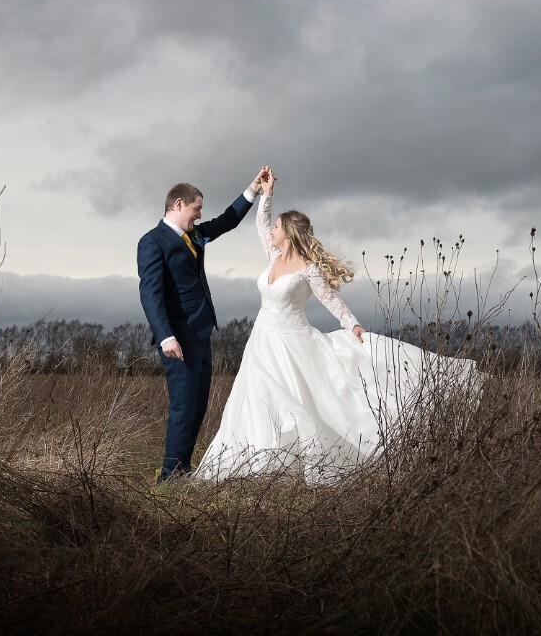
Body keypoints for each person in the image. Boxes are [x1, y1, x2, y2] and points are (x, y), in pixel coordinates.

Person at [197, 167, 479, 483]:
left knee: (308, 401)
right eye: (274, 227)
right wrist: (267, 194)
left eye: (278, 227)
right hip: (262, 341)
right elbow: (261, 223)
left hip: (293, 343)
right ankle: (257, 461)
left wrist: (352, 325)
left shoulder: (308, 269)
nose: (272, 230)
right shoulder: (272, 254)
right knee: (257, 399)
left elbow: (331, 300)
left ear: (289, 233)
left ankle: (306, 458)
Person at [138, 171, 265, 483]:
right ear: (178, 204)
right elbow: (150, 293)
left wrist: (253, 189)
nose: (200, 215)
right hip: (177, 338)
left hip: (201, 332)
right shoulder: (153, 241)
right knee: (183, 406)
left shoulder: (194, 236)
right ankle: (169, 475)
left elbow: (227, 221)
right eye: (196, 209)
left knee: (197, 405)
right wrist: (166, 336)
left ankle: (182, 468)